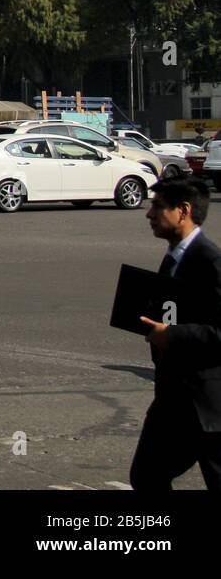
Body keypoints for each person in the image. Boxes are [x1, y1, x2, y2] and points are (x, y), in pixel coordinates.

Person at [130, 177, 221, 490]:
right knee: (147, 476)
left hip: (208, 405)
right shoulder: (173, 257)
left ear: (183, 211)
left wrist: (173, 335)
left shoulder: (211, 262)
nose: (149, 214)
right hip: (174, 401)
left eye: (157, 206)